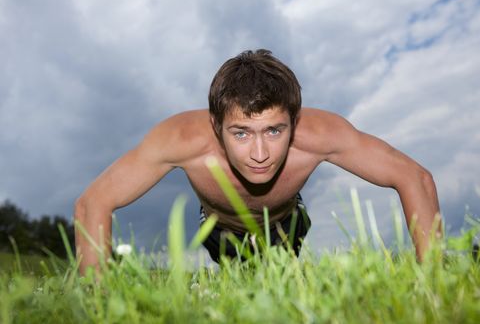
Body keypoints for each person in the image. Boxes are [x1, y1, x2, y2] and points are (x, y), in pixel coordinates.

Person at [75, 49, 441, 274]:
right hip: (222, 231)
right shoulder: (181, 140)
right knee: (244, 295)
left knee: (282, 291)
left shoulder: (323, 134)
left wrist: (434, 278)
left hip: (286, 222)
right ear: (216, 126)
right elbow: (94, 202)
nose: (260, 154)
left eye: (274, 131)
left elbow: (415, 177)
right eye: (241, 134)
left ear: (294, 121)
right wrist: (96, 300)